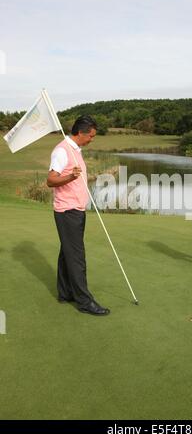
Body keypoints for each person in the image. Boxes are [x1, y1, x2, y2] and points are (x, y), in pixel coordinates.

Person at [47, 115, 110, 316]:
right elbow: (50, 180)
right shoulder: (61, 151)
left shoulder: (75, 150)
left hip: (76, 209)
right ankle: (85, 301)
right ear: (80, 133)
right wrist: (70, 177)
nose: (92, 139)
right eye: (90, 135)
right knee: (77, 257)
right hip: (67, 211)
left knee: (67, 253)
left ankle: (65, 293)